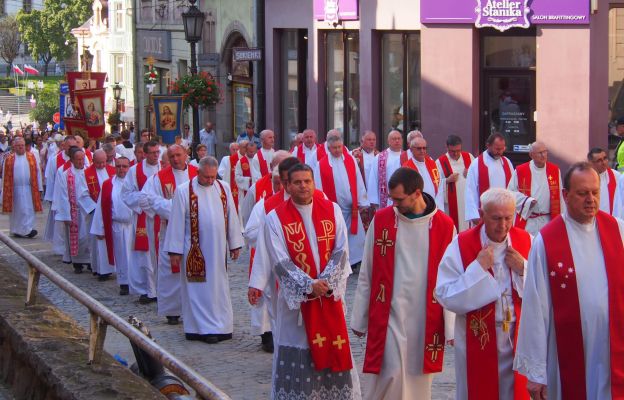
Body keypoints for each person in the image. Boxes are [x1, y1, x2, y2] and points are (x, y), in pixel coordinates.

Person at [250, 163, 361, 399]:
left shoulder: (331, 209)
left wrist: (326, 281)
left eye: (307, 181)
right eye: (297, 182)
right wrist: (309, 285)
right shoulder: (275, 218)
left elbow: (341, 250)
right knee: (300, 349)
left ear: (314, 183)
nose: (303, 186)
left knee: (333, 346)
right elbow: (279, 260)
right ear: (287, 186)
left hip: (329, 297)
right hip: (297, 306)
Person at [514, 162, 624, 400]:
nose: (591, 200)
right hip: (567, 353)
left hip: (613, 347)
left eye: (595, 192)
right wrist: (535, 372)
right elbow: (535, 307)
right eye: (583, 193)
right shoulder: (547, 241)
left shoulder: (618, 231)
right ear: (565, 195)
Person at [351, 167, 455, 400]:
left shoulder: (445, 226)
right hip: (389, 311)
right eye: (392, 199)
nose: (394, 204)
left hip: (425, 316)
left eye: (399, 199)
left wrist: (450, 325)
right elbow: (367, 271)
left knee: (418, 377)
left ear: (417, 193)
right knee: (391, 373)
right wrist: (360, 317)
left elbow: (451, 278)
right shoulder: (383, 220)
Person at [435, 188, 532, 400]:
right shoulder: (461, 244)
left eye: (508, 218)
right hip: (478, 338)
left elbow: (544, 290)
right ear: (482, 214)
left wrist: (523, 268)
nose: (503, 225)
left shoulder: (526, 240)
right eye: (496, 218)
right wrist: (478, 269)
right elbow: (444, 294)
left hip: (517, 337)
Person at [165, 156, 243, 343]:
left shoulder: (223, 188)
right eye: (206, 177)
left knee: (218, 288)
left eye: (213, 177)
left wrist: (234, 243)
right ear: (198, 172)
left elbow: (232, 215)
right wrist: (175, 251)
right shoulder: (184, 191)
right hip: (194, 251)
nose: (210, 181)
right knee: (197, 289)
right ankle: (199, 329)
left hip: (218, 251)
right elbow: (175, 221)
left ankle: (221, 326)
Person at [246, 156, 302, 352]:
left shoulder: (322, 202)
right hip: (279, 276)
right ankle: (283, 360)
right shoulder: (267, 205)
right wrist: (257, 283)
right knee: (281, 322)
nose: (290, 186)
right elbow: (259, 243)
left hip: (310, 275)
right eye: (285, 181)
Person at [142, 145, 197, 324]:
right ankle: (172, 310)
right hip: (170, 229)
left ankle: (193, 308)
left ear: (186, 155)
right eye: (171, 156)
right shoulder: (159, 178)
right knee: (169, 269)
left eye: (178, 155)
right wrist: (175, 210)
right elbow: (148, 198)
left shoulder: (198, 174)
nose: (175, 159)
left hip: (194, 231)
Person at [313, 134, 369, 265]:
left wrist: (362, 200)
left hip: (352, 208)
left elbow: (357, 180)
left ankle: (354, 261)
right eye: (334, 148)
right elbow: (318, 185)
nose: (337, 150)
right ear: (329, 148)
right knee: (338, 235)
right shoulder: (321, 165)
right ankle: (339, 261)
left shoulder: (350, 160)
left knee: (355, 236)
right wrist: (322, 204)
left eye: (339, 147)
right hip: (334, 208)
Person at [121, 141, 161, 304]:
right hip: (143, 217)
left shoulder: (163, 167)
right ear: (144, 154)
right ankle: (147, 289)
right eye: (152, 153)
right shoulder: (134, 171)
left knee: (160, 253)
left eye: (157, 152)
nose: (156, 156)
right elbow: (126, 194)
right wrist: (144, 201)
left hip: (161, 216)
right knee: (144, 255)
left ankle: (160, 289)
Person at [91, 157, 134, 294]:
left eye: (124, 166)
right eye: (119, 166)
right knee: (121, 255)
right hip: (117, 225)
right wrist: (99, 227)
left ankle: (137, 282)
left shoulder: (135, 183)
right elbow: (101, 206)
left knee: (135, 256)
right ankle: (124, 283)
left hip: (133, 225)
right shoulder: (108, 184)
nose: (121, 169)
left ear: (129, 167)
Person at [507, 141, 565, 234]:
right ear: (531, 155)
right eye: (539, 153)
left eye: (545, 152)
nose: (543, 155)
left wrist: (562, 219)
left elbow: (560, 197)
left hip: (548, 221)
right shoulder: (521, 170)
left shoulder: (554, 170)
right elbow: (509, 194)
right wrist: (526, 201)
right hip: (528, 222)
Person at [54, 147, 95, 274]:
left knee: (88, 237)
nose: (80, 162)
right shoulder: (66, 174)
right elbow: (63, 195)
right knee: (77, 238)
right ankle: (77, 262)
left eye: (82, 159)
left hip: (87, 211)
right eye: (78, 159)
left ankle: (90, 261)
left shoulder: (90, 173)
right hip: (74, 211)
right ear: (72, 160)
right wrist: (66, 215)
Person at [465, 133, 515, 225]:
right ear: (488, 145)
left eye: (502, 148)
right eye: (497, 149)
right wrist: (474, 215)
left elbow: (513, 188)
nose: (500, 152)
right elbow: (470, 190)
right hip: (484, 215)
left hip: (504, 214)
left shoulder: (507, 163)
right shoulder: (476, 164)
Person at [83, 150, 115, 279]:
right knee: (98, 242)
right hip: (95, 212)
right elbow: (83, 194)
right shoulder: (86, 174)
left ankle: (112, 267)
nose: (102, 165)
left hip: (111, 212)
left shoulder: (113, 171)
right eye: (98, 163)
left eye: (104, 162)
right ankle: (99, 268)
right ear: (93, 161)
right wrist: (97, 209)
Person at [1, 137, 43, 238]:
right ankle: (17, 230)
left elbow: (38, 173)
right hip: (15, 189)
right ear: (14, 147)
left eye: (22, 145)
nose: (21, 148)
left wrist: (40, 187)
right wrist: (3, 192)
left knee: (28, 209)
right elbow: (4, 176)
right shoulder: (9, 159)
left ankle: (28, 229)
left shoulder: (31, 157)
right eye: (18, 146)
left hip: (29, 188)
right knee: (18, 210)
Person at [436, 134, 474, 232]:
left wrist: (470, 173)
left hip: (467, 201)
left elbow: (477, 177)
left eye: (458, 150)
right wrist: (447, 180)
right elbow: (435, 183)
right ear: (447, 147)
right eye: (452, 151)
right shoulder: (440, 162)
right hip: (451, 204)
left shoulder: (469, 157)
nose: (456, 154)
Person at [367, 130, 408, 209]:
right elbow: (373, 178)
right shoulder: (380, 157)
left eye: (399, 138)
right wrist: (373, 200)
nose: (397, 141)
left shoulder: (407, 156)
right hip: (386, 198)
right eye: (394, 139)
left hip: (404, 197)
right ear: (389, 141)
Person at [402, 136, 444, 210]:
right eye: (419, 148)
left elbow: (440, 185)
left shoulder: (433, 164)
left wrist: (438, 205)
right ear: (411, 150)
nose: (422, 151)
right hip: (417, 207)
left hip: (434, 205)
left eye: (424, 148)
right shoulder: (406, 168)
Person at [587, 147, 620, 215]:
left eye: (605, 158)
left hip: (612, 219)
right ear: (590, 163)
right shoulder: (585, 178)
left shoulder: (615, 175)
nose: (604, 162)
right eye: (599, 160)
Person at [217, 142, 242, 211]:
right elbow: (220, 171)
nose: (235, 151)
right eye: (233, 149)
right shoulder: (226, 159)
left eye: (237, 149)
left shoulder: (242, 159)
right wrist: (229, 174)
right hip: (229, 183)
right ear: (230, 150)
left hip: (240, 184)